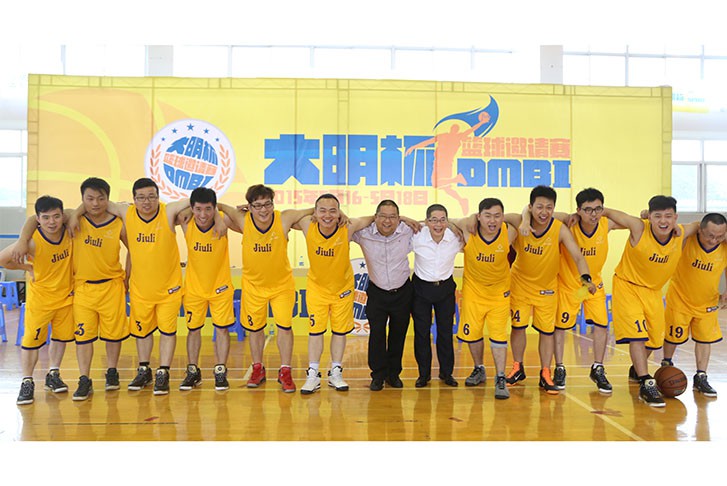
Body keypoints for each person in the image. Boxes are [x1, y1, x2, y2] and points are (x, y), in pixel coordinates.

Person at [78, 178, 201, 395]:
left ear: (158, 197)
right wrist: (74, 214)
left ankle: (163, 372)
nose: (146, 202)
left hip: (169, 289)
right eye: (141, 197)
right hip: (140, 289)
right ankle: (144, 370)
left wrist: (215, 213)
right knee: (142, 332)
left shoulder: (168, 211)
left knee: (167, 332)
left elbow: (197, 198)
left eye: (151, 197)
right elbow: (95, 203)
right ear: (134, 199)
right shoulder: (126, 212)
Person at [604, 195, 698, 407]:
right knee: (637, 336)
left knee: (655, 341)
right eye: (657, 216)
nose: (663, 221)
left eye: (668, 216)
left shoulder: (681, 232)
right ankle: (646, 382)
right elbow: (609, 213)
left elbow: (699, 225)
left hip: (653, 292)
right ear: (650, 217)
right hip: (628, 286)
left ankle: (637, 369)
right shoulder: (639, 227)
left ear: (675, 217)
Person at [219, 184, 313, 393]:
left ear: (273, 204)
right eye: (258, 205)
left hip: (281, 286)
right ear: (250, 206)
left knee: (285, 328)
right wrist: (237, 209)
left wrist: (340, 213)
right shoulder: (243, 219)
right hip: (253, 287)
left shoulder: (284, 218)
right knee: (255, 330)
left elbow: (314, 210)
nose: (264, 210)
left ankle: (285, 371)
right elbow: (219, 207)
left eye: (267, 204)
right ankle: (257, 368)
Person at [505, 185, 597, 395]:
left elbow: (578, 257)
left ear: (554, 208)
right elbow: (496, 218)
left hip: (546, 289)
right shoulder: (519, 222)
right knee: (518, 327)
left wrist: (586, 279)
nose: (544, 212)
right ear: (530, 207)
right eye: (539, 207)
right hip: (520, 285)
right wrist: (524, 220)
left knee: (547, 332)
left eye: (549, 207)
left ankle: (545, 372)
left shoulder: (559, 229)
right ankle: (517, 367)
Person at [291, 193, 373, 394]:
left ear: (339, 213)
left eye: (332, 211)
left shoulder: (347, 227)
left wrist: (341, 215)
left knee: (339, 331)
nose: (327, 215)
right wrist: (314, 212)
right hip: (317, 289)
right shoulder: (307, 224)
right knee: (315, 332)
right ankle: (313, 374)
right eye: (322, 211)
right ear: (315, 212)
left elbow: (371, 218)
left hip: (342, 290)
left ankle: (336, 371)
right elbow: (287, 217)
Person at [1, 196, 74, 405]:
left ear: (62, 216)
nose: (52, 222)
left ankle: (53, 374)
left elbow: (74, 212)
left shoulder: (69, 232)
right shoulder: (31, 241)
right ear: (38, 219)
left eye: (56, 216)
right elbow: (3, 259)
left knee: (60, 338)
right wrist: (26, 267)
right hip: (40, 300)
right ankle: (27, 381)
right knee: (31, 342)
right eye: (46, 217)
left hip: (65, 297)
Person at [550, 188, 624, 394]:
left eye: (598, 209)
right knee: (560, 327)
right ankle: (559, 367)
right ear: (578, 210)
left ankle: (598, 368)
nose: (594, 214)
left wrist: (605, 211)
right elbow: (546, 216)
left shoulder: (606, 224)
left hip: (593, 286)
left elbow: (629, 221)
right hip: (569, 286)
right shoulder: (569, 225)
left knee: (602, 325)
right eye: (588, 210)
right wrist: (568, 215)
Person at [450, 197, 518, 399]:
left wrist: (476, 216)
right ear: (479, 217)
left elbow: (523, 217)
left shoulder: (509, 232)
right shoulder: (468, 231)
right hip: (474, 292)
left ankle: (500, 377)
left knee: (498, 336)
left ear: (503, 217)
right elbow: (451, 220)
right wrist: (470, 218)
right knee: (473, 334)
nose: (492, 221)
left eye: (497, 216)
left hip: (499, 294)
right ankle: (479, 368)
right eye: (487, 216)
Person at [351, 199, 418, 391]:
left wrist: (404, 219)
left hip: (402, 292)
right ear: (375, 217)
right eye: (383, 216)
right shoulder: (363, 233)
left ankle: (393, 374)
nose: (387, 221)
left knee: (398, 334)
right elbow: (348, 223)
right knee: (377, 334)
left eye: (393, 217)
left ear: (398, 218)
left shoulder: (408, 230)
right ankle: (378, 375)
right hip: (377, 292)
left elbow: (436, 222)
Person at [177, 187, 237, 391]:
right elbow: (173, 210)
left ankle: (220, 370)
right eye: (198, 209)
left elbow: (238, 215)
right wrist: (193, 209)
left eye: (208, 209)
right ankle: (193, 371)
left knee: (222, 329)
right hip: (194, 289)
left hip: (220, 288)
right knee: (193, 330)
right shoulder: (186, 221)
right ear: (192, 208)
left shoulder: (224, 222)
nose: (203, 215)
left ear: (214, 208)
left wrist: (219, 213)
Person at [662, 213, 727, 398]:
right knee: (673, 337)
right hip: (680, 299)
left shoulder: (724, 247)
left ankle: (701, 376)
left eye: (719, 236)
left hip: (707, 302)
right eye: (710, 235)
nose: (714, 240)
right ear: (700, 230)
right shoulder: (688, 239)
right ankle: (666, 364)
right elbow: (678, 230)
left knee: (705, 339)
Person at [410, 204, 463, 388]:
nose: (438, 225)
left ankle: (446, 373)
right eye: (433, 220)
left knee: (445, 332)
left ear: (447, 221)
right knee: (421, 333)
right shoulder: (416, 236)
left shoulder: (456, 237)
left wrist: (454, 225)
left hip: (445, 289)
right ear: (426, 221)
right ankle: (423, 374)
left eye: (442, 220)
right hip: (420, 289)